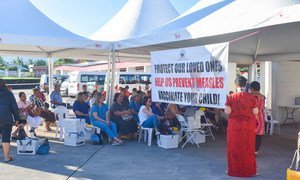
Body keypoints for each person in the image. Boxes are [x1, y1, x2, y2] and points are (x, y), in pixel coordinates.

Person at [225, 76, 259, 177]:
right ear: (246, 84)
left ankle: (233, 171)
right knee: (248, 149)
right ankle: (249, 171)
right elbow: (255, 112)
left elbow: (227, 111)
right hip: (248, 127)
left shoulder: (231, 97)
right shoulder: (252, 97)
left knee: (234, 148)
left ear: (236, 85)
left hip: (234, 127)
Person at [0, 79, 19, 162]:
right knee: (6, 138)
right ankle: (7, 157)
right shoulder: (9, 93)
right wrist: (17, 118)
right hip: (5, 118)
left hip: (5, 118)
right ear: (5, 85)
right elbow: (14, 107)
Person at [250, 81, 266, 155]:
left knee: (251, 135)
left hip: (253, 118)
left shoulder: (252, 97)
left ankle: (251, 150)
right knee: (259, 136)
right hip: (261, 118)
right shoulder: (263, 96)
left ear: (252, 88)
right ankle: (255, 151)